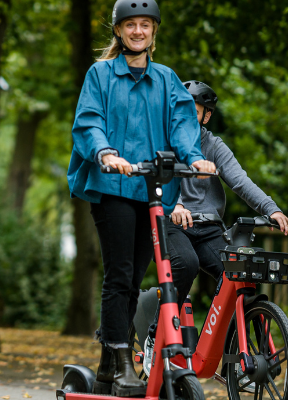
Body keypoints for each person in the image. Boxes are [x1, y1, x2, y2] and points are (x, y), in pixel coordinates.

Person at [67, 0, 216, 396]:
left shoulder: (167, 80)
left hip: (151, 192)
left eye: (145, 25)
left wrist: (196, 158)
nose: (137, 31)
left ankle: (106, 365)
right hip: (113, 187)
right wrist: (105, 153)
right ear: (119, 31)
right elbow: (88, 121)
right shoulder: (100, 74)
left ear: (154, 31)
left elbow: (183, 124)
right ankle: (120, 361)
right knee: (119, 276)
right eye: (130, 25)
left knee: (134, 279)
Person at [166, 80, 288, 313]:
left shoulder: (214, 146)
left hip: (207, 228)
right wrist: (176, 205)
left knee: (238, 271)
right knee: (186, 264)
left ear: (206, 116)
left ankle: (225, 341)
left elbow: (240, 181)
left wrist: (270, 208)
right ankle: (156, 333)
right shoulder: (165, 141)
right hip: (172, 224)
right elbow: (162, 180)